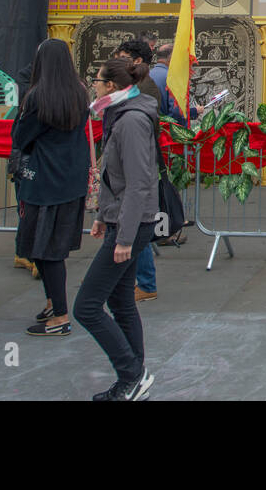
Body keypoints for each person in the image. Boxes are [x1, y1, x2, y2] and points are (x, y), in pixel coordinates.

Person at [74, 57, 160, 401]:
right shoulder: (120, 114)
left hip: (132, 224)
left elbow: (139, 182)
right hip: (123, 219)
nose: (93, 84)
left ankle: (132, 373)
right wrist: (102, 215)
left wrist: (123, 236)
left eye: (97, 80)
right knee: (121, 300)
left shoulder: (131, 120)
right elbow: (117, 175)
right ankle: (134, 377)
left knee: (87, 306)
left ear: (111, 86)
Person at [13, 38, 92, 337]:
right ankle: (52, 303)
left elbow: (21, 137)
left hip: (42, 179)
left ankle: (60, 315)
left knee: (43, 249)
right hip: (71, 179)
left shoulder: (37, 97)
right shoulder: (79, 92)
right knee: (53, 248)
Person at [116, 40, 161, 301]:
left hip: (138, 166)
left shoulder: (143, 90)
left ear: (137, 61)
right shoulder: (134, 87)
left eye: (123, 58)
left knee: (135, 223)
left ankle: (145, 282)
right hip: (133, 165)